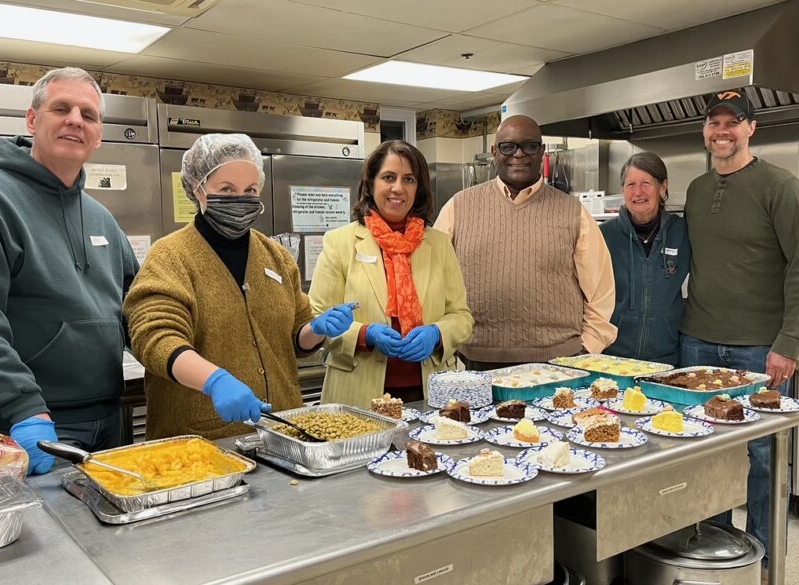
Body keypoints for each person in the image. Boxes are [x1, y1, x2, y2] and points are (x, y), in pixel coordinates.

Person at [0, 67, 139, 475]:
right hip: (29, 425)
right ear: (32, 119)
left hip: (109, 419)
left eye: (89, 115)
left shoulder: (100, 218)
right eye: (62, 108)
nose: (76, 119)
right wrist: (21, 407)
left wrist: (192, 363)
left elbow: (137, 309)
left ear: (97, 135)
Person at [124, 133, 354, 440]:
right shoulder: (171, 257)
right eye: (226, 189)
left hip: (282, 432)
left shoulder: (276, 257)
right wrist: (214, 380)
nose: (240, 200)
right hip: (200, 442)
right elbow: (154, 339)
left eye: (250, 190)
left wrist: (317, 330)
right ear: (199, 189)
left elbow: (295, 337)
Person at [680, 90, 799, 566]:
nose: (722, 131)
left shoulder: (780, 186)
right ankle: (718, 551)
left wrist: (789, 342)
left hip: (759, 349)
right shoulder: (697, 191)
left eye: (733, 122)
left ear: (751, 128)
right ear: (704, 131)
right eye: (713, 123)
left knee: (761, 456)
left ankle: (763, 560)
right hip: (697, 341)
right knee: (707, 450)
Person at [433, 115, 617, 370]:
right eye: (508, 146)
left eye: (529, 146)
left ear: (541, 151)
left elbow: (601, 291)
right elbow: (433, 282)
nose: (518, 154)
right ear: (494, 152)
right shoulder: (458, 207)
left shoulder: (574, 212)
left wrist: (586, 349)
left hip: (559, 364)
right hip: (475, 361)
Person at [307, 140, 473, 407]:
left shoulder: (439, 244)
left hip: (431, 393)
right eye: (388, 177)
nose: (398, 188)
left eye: (409, 179)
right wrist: (364, 334)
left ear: (418, 189)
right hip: (359, 393)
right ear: (371, 184)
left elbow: (462, 317)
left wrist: (437, 333)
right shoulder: (340, 242)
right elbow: (317, 320)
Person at [600, 153, 690, 366]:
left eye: (646, 184)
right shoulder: (603, 236)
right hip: (612, 358)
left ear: (663, 187)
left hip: (667, 359)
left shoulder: (683, 232)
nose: (638, 192)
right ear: (623, 189)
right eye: (631, 184)